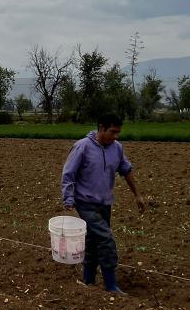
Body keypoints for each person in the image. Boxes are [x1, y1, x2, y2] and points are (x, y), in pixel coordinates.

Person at [61, 113, 146, 293]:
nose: (115, 136)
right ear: (101, 128)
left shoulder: (117, 148)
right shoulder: (82, 147)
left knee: (93, 242)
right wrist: (68, 197)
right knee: (106, 240)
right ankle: (111, 285)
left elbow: (126, 170)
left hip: (105, 203)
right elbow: (69, 173)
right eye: (112, 132)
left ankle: (88, 281)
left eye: (118, 133)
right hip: (85, 203)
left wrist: (137, 195)